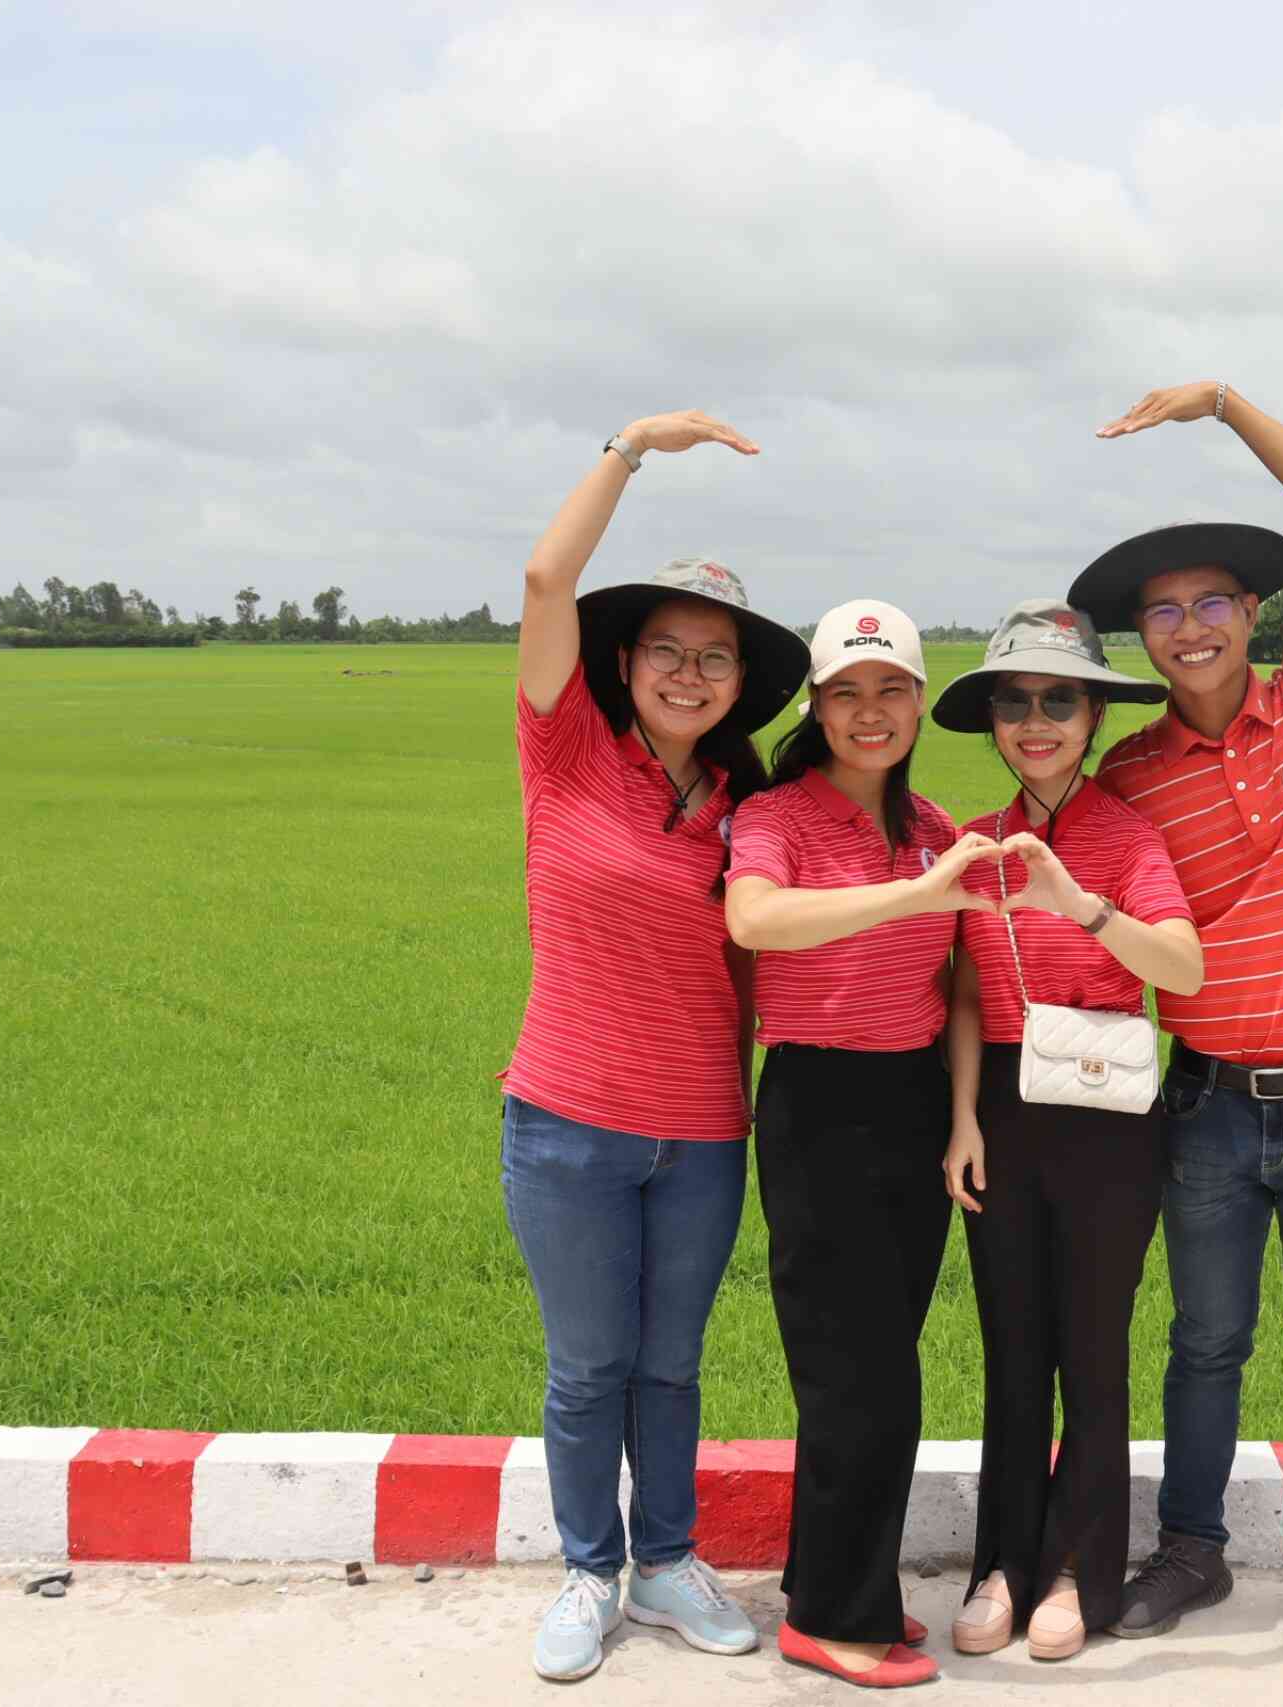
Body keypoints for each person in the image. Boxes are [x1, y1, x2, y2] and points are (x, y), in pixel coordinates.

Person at [1068, 381, 1283, 1667]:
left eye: (1211, 601)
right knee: (1204, 1341)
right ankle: (1193, 1551)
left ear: (1253, 613)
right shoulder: (1128, 778)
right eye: (1162, 612)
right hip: (1208, 1104)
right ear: (1142, 639)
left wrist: (1221, 404)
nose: (1189, 628)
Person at [504, 410, 812, 1682]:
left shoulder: (748, 809)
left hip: (700, 1136)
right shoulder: (566, 751)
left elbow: (771, 957)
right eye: (669, 651)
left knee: (671, 1367)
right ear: (625, 661)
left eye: (715, 660)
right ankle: (589, 1572)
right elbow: (545, 581)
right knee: (589, 1368)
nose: (690, 675)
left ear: (740, 685)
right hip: (567, 1123)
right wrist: (630, 447)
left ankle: (668, 1562)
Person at [722, 599, 1005, 1690]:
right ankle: (831, 1619)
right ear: (816, 706)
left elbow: (962, 983)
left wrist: (963, 1114)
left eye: (891, 689)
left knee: (881, 1363)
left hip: (914, 1101)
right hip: (819, 1103)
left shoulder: (935, 827)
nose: (870, 711)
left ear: (920, 702)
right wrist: (913, 893)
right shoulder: (778, 816)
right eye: (847, 692)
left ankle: (835, 1582)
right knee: (855, 1376)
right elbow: (755, 919)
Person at [928, 600, 1204, 1662]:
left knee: (1092, 1351)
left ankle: (1079, 1570)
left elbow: (1181, 968)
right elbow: (963, 991)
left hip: (1106, 1112)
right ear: (993, 723)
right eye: (1015, 702)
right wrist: (962, 1117)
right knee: (1013, 1350)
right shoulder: (975, 844)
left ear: (1092, 718)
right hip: (1002, 1106)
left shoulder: (1128, 839)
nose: (1035, 721)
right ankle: (1002, 1562)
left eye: (1058, 701)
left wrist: (1077, 901)